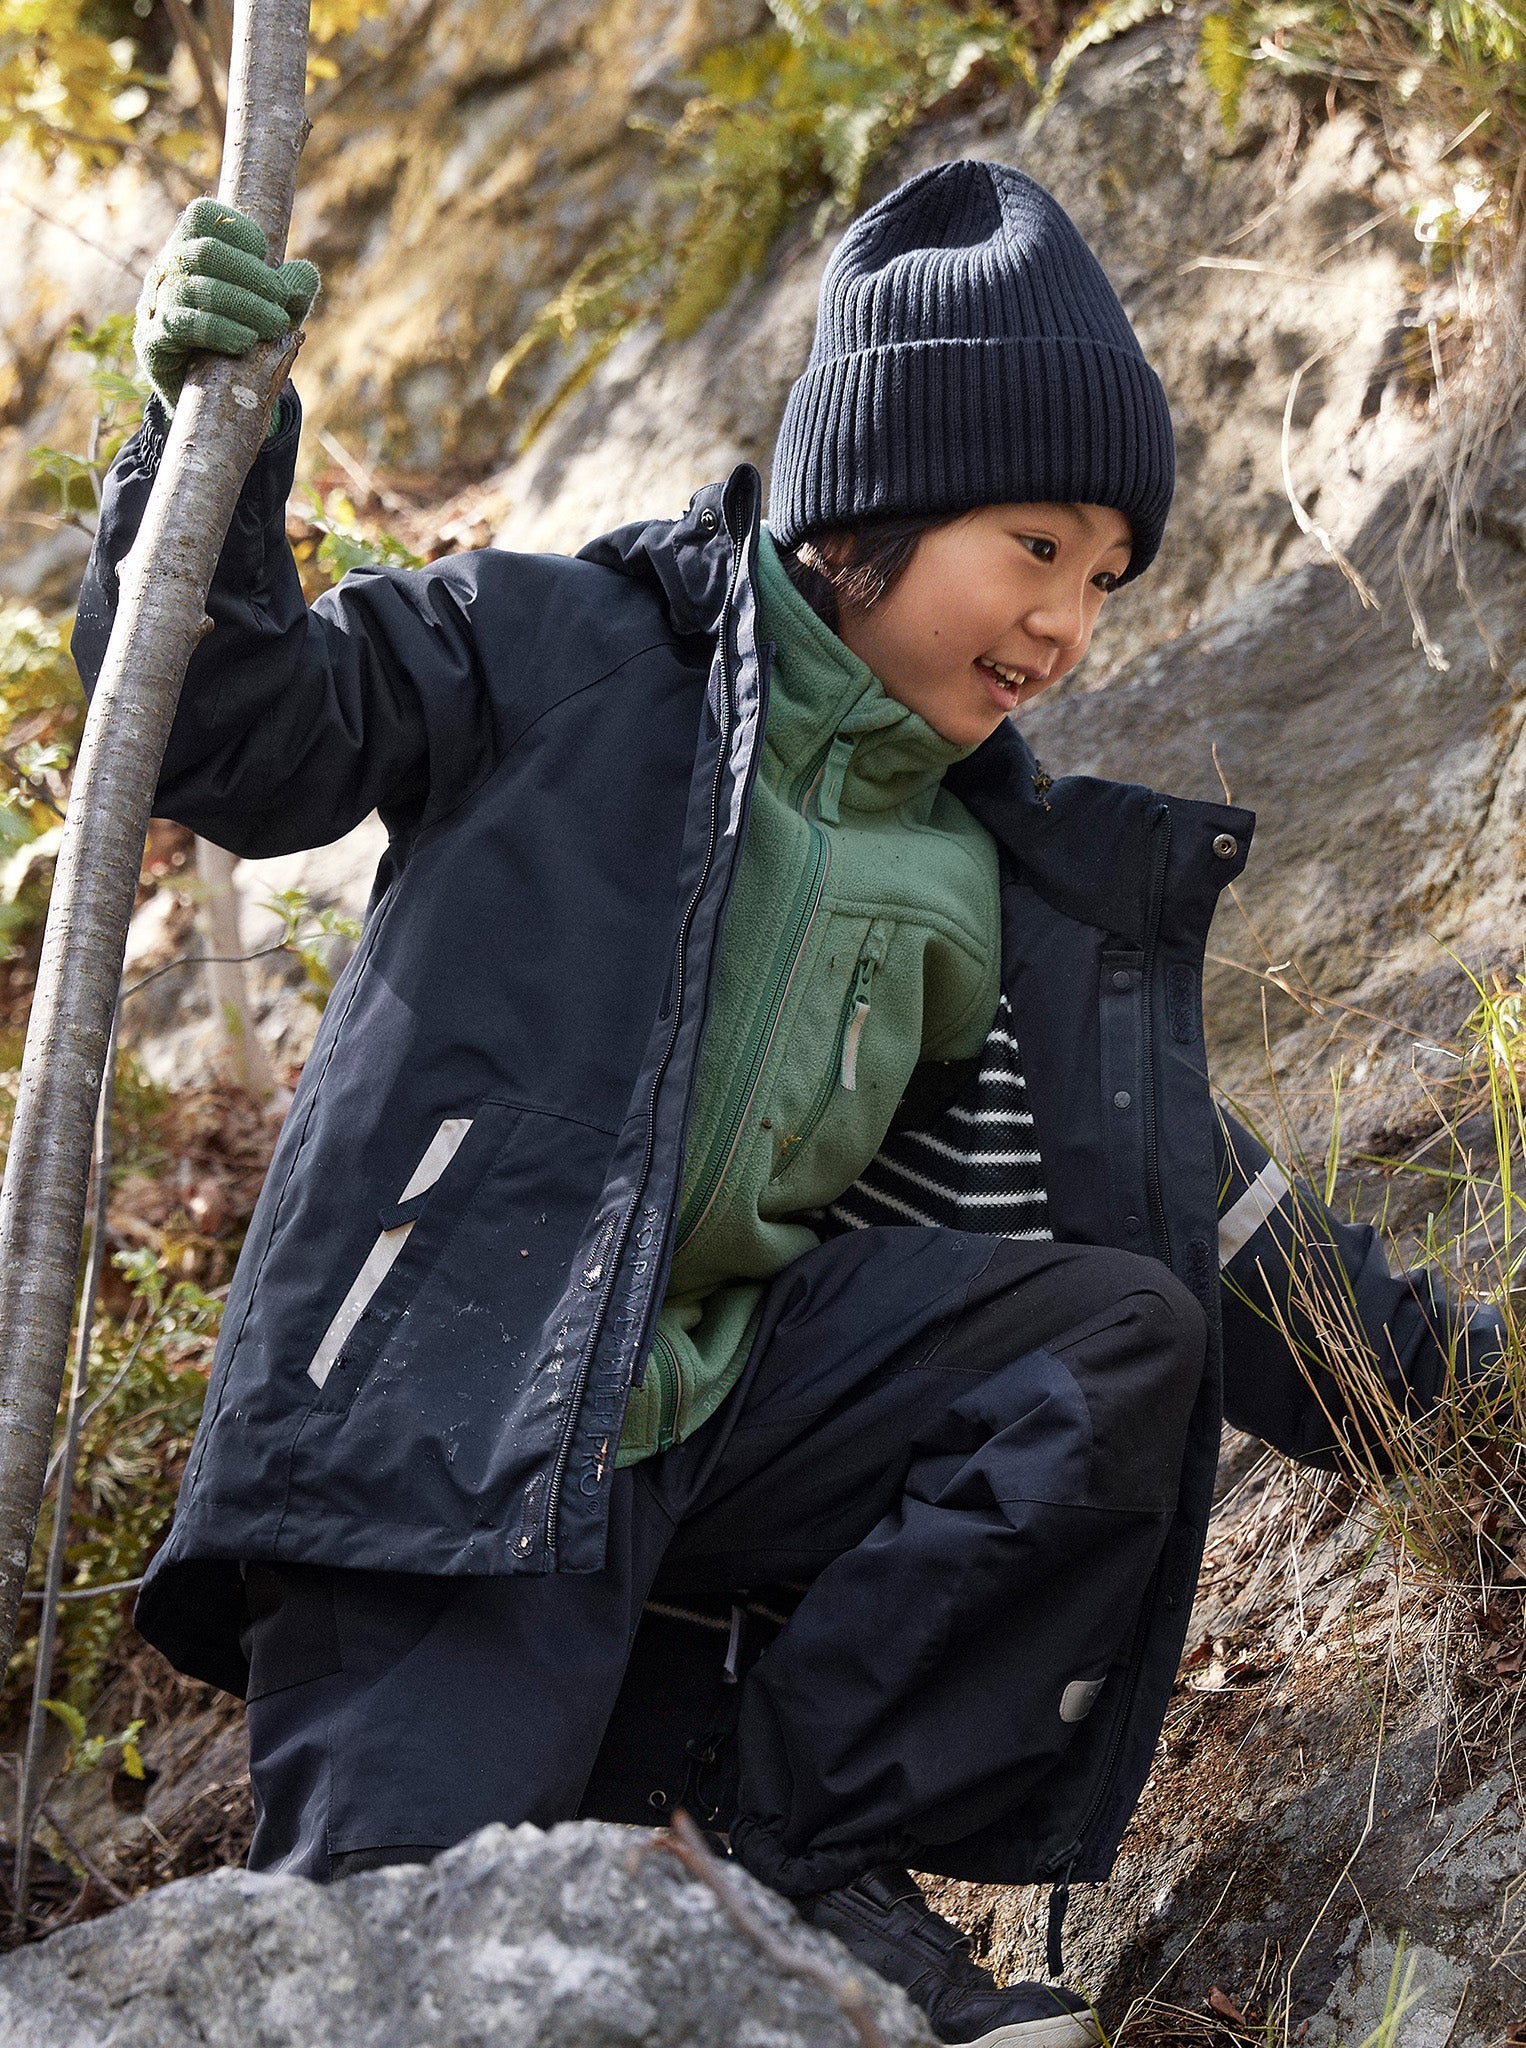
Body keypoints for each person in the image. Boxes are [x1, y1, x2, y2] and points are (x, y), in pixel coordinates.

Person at [77, 161, 1500, 2048]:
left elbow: (1216, 1230)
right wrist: (210, 440)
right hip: (449, 1449)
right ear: (878, 499)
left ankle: (769, 1855)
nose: (1067, 621)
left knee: (1106, 1336)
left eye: (1104, 577)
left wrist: (1475, 1423)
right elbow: (224, 735)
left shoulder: (997, 867)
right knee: (383, 1981)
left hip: (722, 1464)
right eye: (1034, 544)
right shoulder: (566, 652)